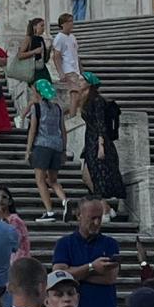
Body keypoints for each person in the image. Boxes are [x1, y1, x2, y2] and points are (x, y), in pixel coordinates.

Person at [52, 197, 121, 307]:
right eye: (92, 218)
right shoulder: (65, 244)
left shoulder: (110, 244)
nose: (97, 223)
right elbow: (58, 275)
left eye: (100, 217)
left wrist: (74, 274)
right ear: (79, 216)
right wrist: (92, 267)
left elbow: (110, 278)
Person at [77, 72, 126, 219]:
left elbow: (100, 124)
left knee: (95, 176)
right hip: (90, 142)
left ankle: (105, 209)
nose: (79, 82)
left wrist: (101, 145)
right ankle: (106, 206)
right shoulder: (87, 99)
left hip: (97, 142)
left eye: (82, 80)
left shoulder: (97, 101)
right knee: (87, 176)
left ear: (90, 84)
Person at [24, 79, 70, 222]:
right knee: (53, 180)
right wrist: (64, 150)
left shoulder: (36, 107)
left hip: (42, 145)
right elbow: (63, 130)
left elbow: (33, 130)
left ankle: (49, 212)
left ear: (37, 91)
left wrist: (28, 149)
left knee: (40, 180)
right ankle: (64, 200)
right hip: (56, 145)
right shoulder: (58, 108)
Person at [52, 13, 86, 112]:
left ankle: (69, 112)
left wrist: (81, 69)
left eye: (72, 21)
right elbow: (56, 56)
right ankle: (72, 116)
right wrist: (61, 73)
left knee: (80, 94)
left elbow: (76, 54)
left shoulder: (72, 37)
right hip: (68, 70)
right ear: (63, 24)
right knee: (75, 94)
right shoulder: (59, 38)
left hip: (76, 70)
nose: (72, 24)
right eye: (69, 22)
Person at [0, 185, 31, 260]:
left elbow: (14, 243)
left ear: (10, 202)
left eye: (4, 197)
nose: (0, 199)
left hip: (17, 262)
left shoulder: (14, 220)